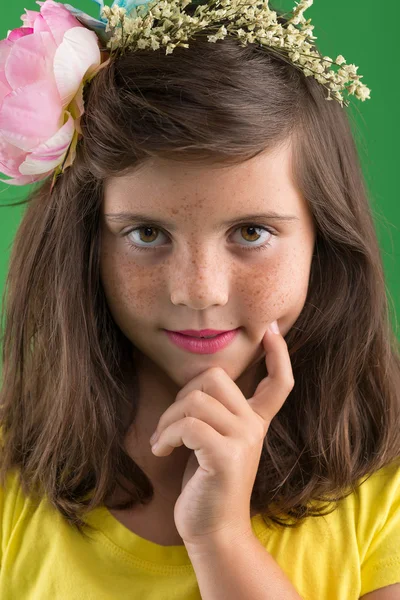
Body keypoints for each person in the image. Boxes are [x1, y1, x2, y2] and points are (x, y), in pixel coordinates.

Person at [0, 0, 399, 598]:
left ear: (325, 238)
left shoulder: (386, 489)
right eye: (147, 234)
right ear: (87, 243)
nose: (199, 290)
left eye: (251, 233)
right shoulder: (10, 471)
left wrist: (222, 541)